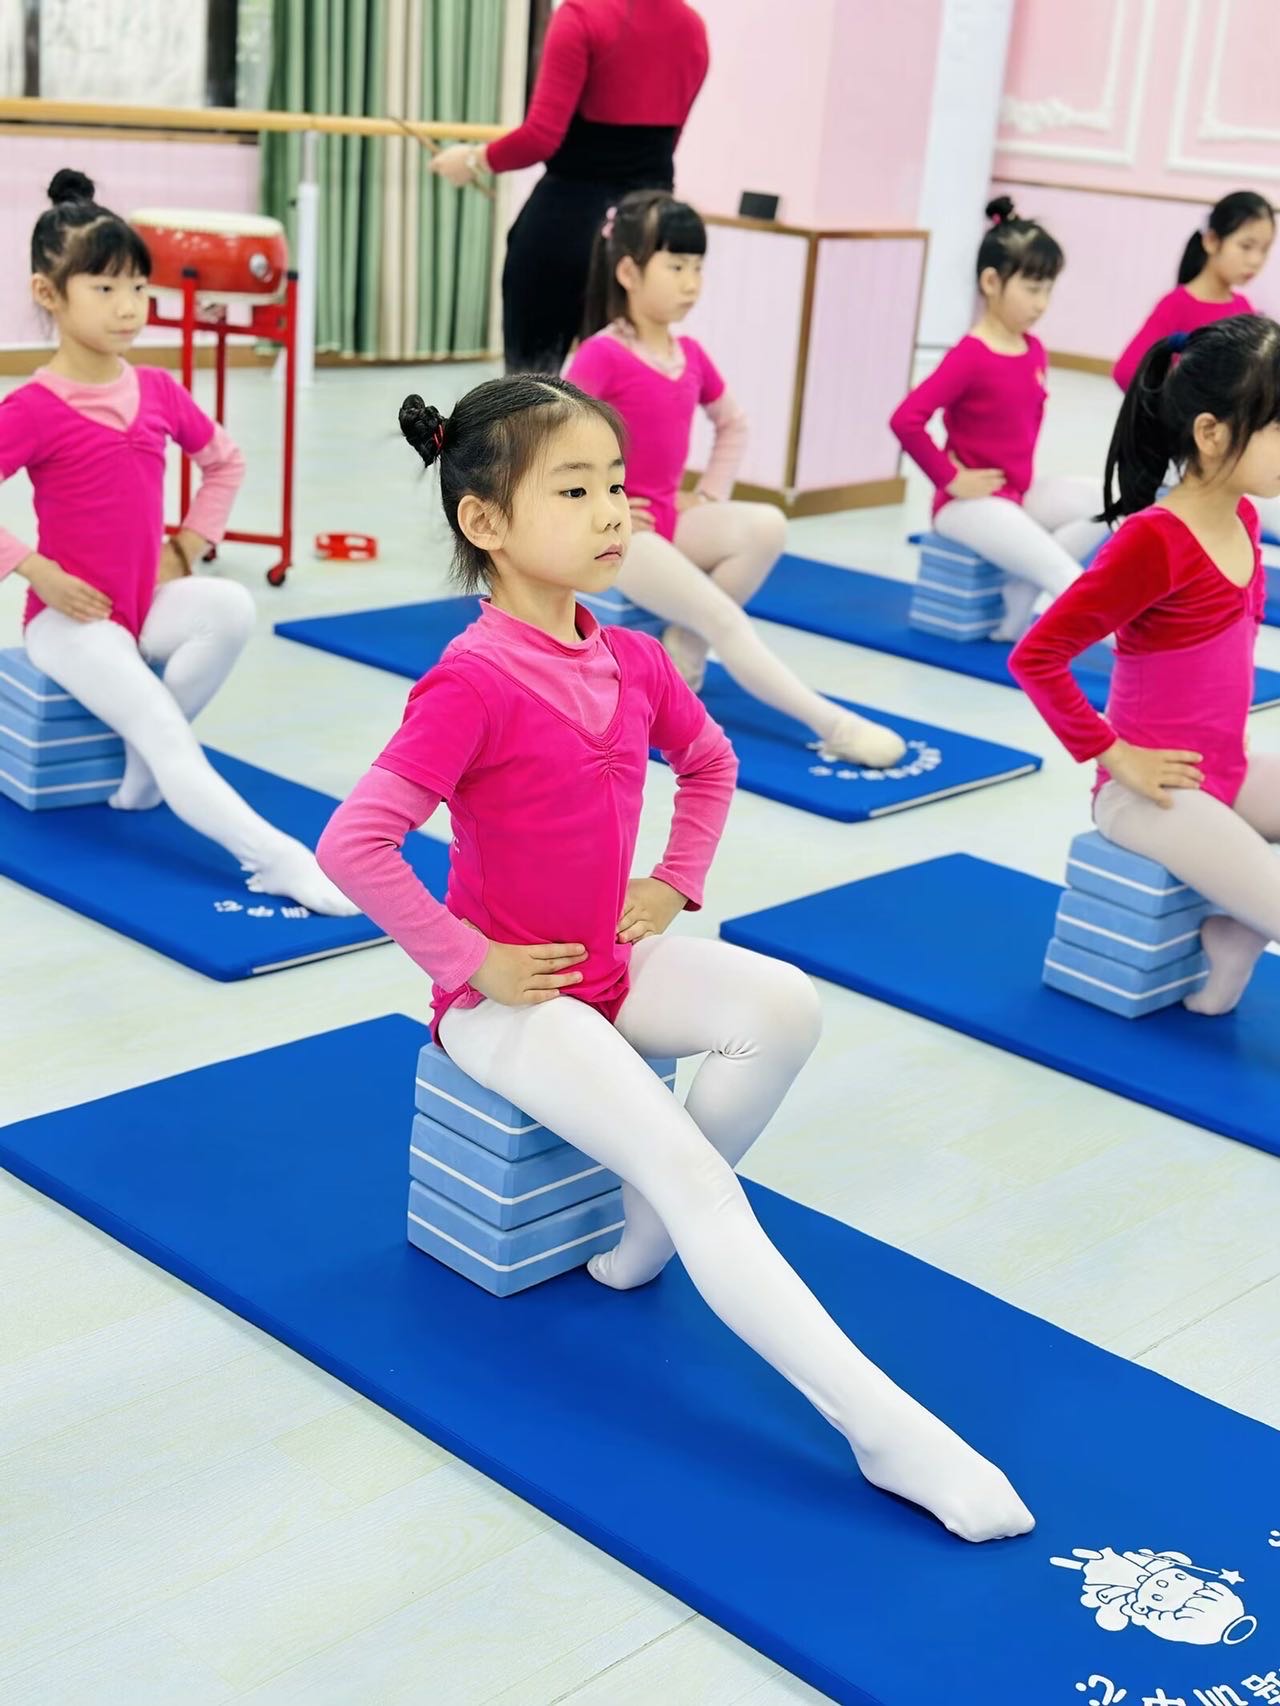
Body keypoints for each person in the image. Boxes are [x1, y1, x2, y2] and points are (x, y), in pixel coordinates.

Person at [316, 371, 1034, 1544]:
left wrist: (672, 878)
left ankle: (641, 1244)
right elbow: (355, 842)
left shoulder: (637, 659)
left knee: (784, 1005)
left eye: (615, 486)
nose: (613, 511)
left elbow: (709, 767)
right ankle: (886, 1430)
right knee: (698, 1173)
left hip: (609, 957)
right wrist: (469, 960)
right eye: (576, 489)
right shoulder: (472, 679)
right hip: (510, 1001)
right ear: (483, 522)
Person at [0, 169, 356, 915]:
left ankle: (141, 773)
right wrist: (36, 568)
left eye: (137, 287)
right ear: (48, 296)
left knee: (228, 607)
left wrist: (190, 543)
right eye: (104, 289)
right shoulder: (31, 407)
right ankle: (276, 859)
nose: (130, 307)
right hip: (72, 621)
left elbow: (225, 460)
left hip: (141, 602)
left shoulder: (157, 391)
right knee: (165, 727)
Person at [565, 191, 905, 767]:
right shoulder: (601, 356)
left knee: (766, 525)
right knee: (727, 619)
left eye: (698, 267)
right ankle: (834, 726)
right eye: (675, 266)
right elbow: (559, 450)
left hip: (669, 517)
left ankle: (686, 647)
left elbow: (733, 424)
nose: (691, 281)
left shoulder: (688, 353)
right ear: (628, 271)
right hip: (622, 535)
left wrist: (710, 493)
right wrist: (610, 505)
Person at [1011, 315, 1280, 1019]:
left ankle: (1236, 937)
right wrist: (1115, 756)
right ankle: (1247, 927)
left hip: (1224, 767)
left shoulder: (1246, 520)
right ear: (1212, 433)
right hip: (1147, 795)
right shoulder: (1152, 540)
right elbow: (1036, 655)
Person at [431, 0, 708, 375]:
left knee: (532, 394)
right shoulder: (692, 28)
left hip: (565, 226)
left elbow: (540, 137)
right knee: (622, 386)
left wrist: (472, 160)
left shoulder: (581, 16)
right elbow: (669, 140)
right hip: (644, 232)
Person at [890, 196, 1108, 644]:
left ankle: (1018, 592)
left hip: (1017, 493)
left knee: (1113, 503)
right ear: (991, 281)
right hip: (968, 505)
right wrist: (950, 479)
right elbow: (906, 419)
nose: (1041, 302)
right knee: (1058, 568)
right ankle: (1126, 641)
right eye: (1031, 288)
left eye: (1048, 289)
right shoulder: (970, 355)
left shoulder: (1034, 349)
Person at [1112, 190, 1275, 393]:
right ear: (1212, 241)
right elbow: (1126, 372)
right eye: (1246, 246)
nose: (1256, 261)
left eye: (1264, 249)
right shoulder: (1177, 304)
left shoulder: (1244, 307)